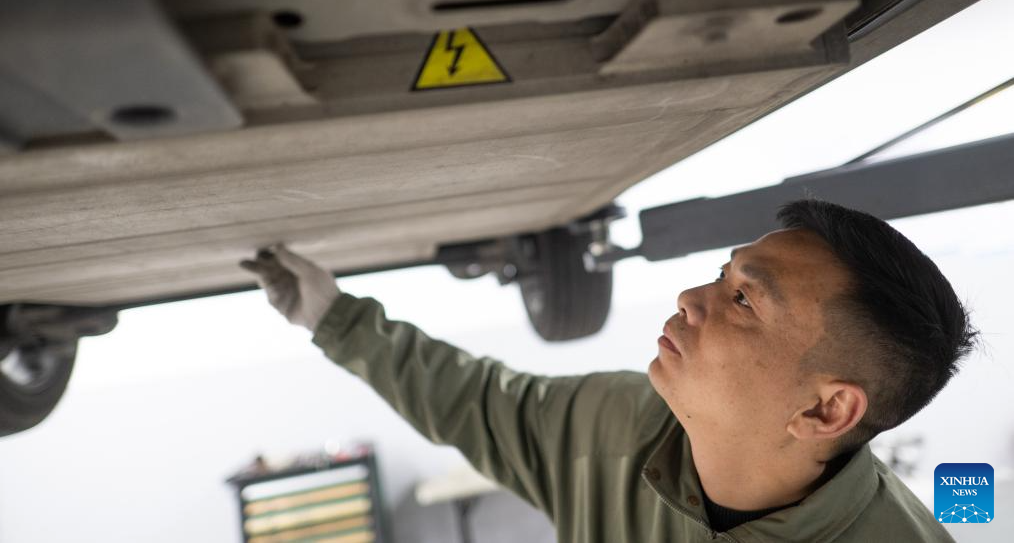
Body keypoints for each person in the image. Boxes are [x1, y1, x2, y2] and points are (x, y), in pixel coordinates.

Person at [239, 198, 977, 542]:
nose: (692, 298)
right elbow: (473, 401)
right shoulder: (620, 427)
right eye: (723, 276)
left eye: (744, 300)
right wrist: (332, 316)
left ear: (824, 412)